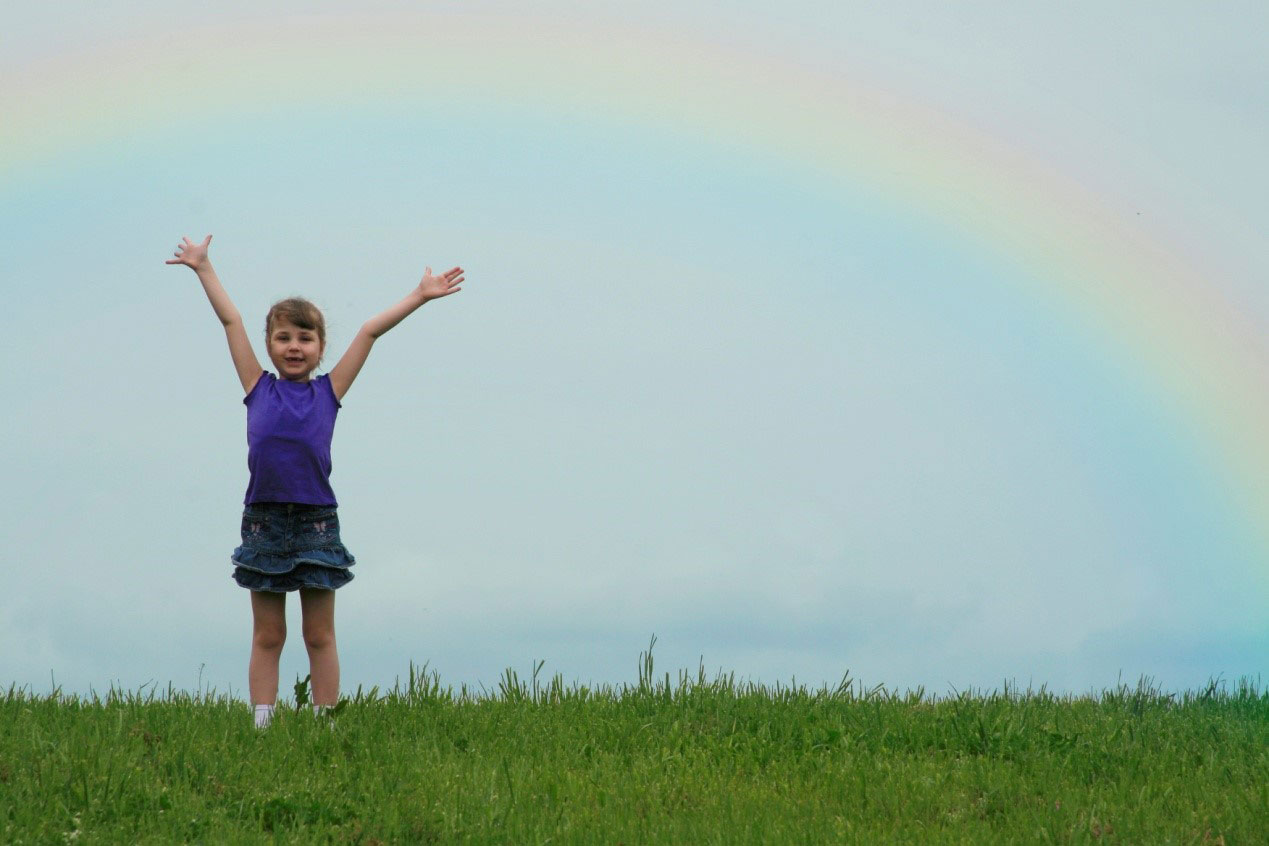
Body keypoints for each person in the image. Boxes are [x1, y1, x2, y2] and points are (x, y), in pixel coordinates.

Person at [166, 234, 464, 728]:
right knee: (268, 636)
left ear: (321, 348)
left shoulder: (330, 391)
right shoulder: (256, 386)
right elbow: (231, 320)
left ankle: (327, 725)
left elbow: (369, 331)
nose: (294, 347)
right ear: (269, 346)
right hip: (262, 521)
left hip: (317, 523)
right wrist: (203, 268)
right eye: (283, 338)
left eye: (305, 338)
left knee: (319, 636)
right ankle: (262, 725)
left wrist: (420, 295)